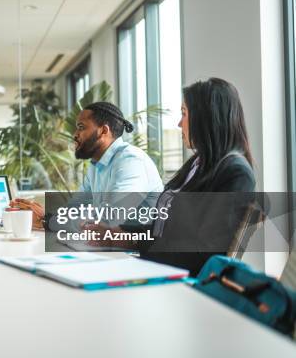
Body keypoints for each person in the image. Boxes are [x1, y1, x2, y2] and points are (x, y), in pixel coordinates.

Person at [85, 78, 256, 275]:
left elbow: (204, 253)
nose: (178, 123)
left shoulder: (235, 172)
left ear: (207, 118)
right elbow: (164, 229)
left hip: (182, 283)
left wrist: (137, 250)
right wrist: (118, 234)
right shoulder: (198, 164)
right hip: (160, 269)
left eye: (184, 113)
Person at [11, 101, 164, 230]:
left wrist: (48, 221)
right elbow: (74, 208)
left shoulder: (131, 161)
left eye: (81, 127)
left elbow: (110, 219)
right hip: (110, 248)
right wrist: (44, 216)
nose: (75, 134)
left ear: (103, 130)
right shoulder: (96, 165)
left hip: (137, 254)